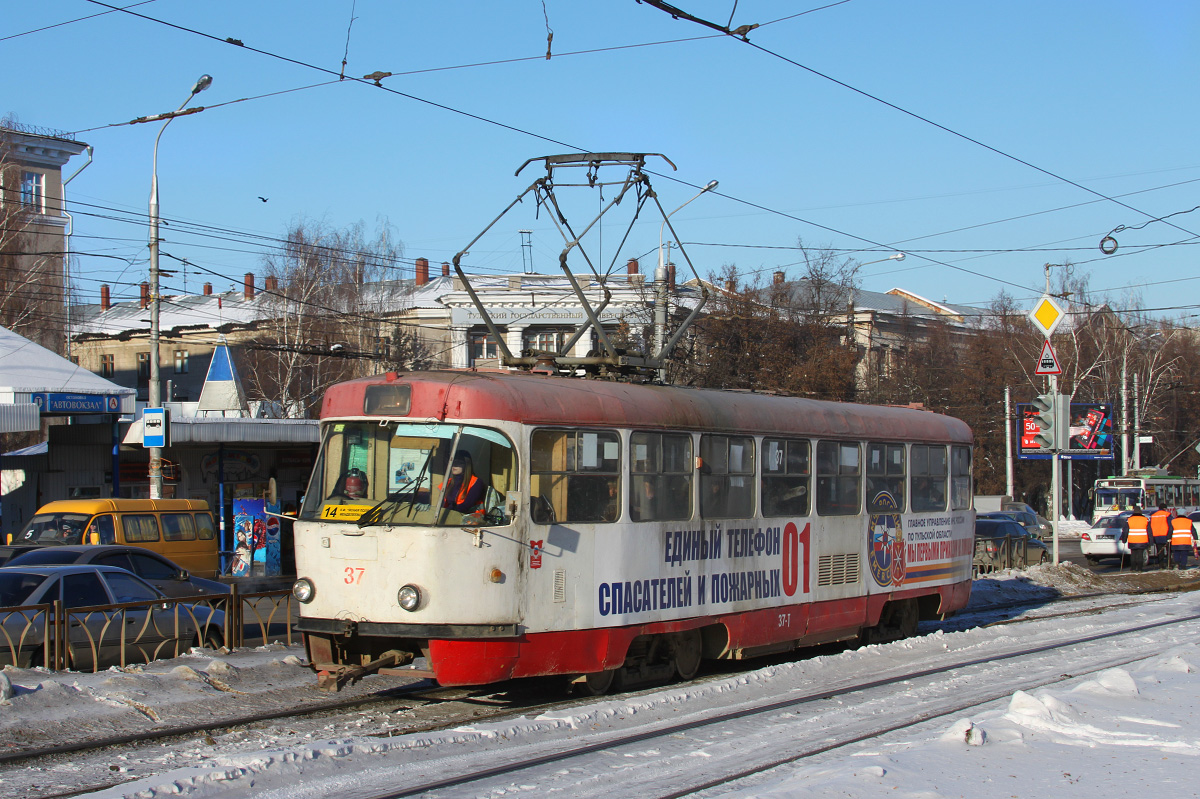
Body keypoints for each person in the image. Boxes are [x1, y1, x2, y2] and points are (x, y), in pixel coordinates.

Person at [1125, 506, 1150, 572]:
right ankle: (1140, 568)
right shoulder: (1145, 519)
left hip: (1132, 540)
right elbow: (1149, 531)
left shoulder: (1129, 519)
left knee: (1133, 554)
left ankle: (1133, 568)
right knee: (1140, 554)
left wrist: (1124, 539)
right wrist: (1151, 540)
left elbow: (1125, 530)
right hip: (1142, 539)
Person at [1149, 502, 1173, 568]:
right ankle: (1169, 564)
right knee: (1169, 551)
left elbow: (1150, 526)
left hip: (1156, 536)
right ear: (1165, 508)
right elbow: (1171, 525)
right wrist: (1170, 535)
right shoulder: (1167, 514)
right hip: (1165, 535)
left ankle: (1161, 565)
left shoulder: (1153, 515)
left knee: (1160, 551)